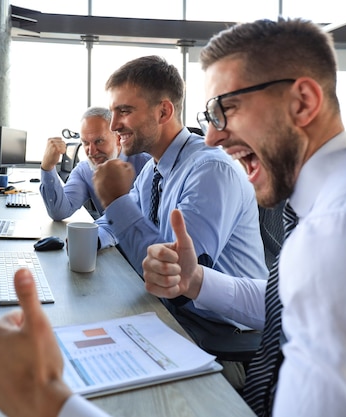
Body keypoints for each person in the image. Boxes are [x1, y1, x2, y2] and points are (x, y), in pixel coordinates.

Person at [0, 18, 346, 417]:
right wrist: (197, 281)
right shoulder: (335, 209)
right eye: (209, 114)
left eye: (227, 109)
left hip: (224, 343)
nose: (214, 138)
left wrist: (50, 403)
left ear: (302, 103)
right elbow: (283, 301)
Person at [91, 55, 268, 354]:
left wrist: (116, 201)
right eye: (112, 112)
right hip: (176, 316)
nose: (113, 125)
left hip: (220, 335)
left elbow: (173, 278)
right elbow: (113, 223)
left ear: (163, 111)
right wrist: (88, 238)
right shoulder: (152, 169)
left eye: (124, 111)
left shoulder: (211, 170)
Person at [39, 106, 150, 221]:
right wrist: (48, 167)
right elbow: (59, 211)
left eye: (99, 141)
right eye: (86, 143)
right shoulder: (84, 171)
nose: (91, 152)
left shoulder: (147, 166)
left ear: (118, 138)